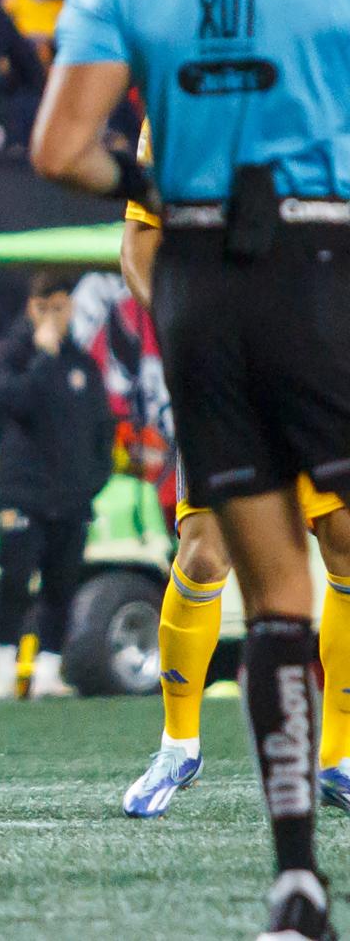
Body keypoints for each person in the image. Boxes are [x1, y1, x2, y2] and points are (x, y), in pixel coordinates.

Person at [33, 0, 350, 937]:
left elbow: (61, 149)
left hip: (204, 282)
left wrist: (161, 187)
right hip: (326, 264)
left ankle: (294, 881)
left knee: (270, 592)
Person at [115, 119, 350, 820]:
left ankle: (337, 756)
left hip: (322, 362)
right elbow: (139, 241)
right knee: (205, 550)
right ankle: (178, 744)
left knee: (343, 539)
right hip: (226, 365)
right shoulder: (183, 102)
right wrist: (192, 328)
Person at [0, 273, 116, 701]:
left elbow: (101, 429)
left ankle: (48, 671)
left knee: (62, 585)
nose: (54, 316)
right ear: (31, 308)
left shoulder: (82, 363)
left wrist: (91, 482)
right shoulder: (9, 354)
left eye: (61, 306)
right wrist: (41, 355)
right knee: (15, 581)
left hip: (70, 498)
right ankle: (3, 669)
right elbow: (10, 401)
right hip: (23, 496)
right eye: (45, 306)